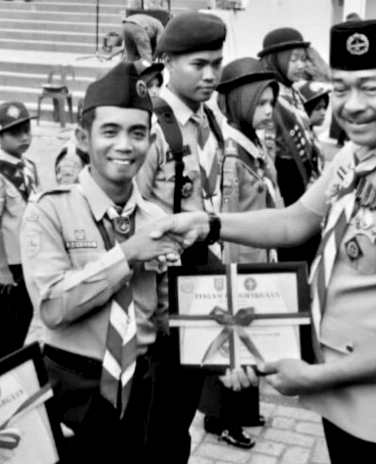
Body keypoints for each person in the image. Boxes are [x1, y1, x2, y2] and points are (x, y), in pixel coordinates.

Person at [155, 19, 376, 463]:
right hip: (344, 400)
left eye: (370, 89)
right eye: (341, 88)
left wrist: (310, 378)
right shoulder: (365, 149)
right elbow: (296, 221)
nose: (352, 106)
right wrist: (209, 224)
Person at [20, 61, 178, 462]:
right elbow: (53, 308)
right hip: (74, 383)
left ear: (150, 140)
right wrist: (128, 253)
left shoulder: (156, 219)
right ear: (82, 138)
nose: (125, 145)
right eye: (110, 131)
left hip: (139, 380)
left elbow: (163, 314)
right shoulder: (50, 211)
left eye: (137, 133)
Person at [136, 11, 233, 458]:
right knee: (163, 411)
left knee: (185, 403)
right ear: (168, 62)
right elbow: (131, 216)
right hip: (165, 285)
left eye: (216, 63)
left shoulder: (209, 119)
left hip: (202, 273)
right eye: (198, 64)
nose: (210, 75)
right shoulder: (153, 126)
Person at [197, 57, 283, 450]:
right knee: (232, 340)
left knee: (252, 340)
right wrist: (227, 279)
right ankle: (223, 419)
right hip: (239, 266)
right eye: (260, 103)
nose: (268, 111)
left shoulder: (252, 144)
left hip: (258, 260)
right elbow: (226, 223)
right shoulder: (231, 154)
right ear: (240, 103)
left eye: (271, 103)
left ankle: (244, 408)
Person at [257, 27, 321, 264]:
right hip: (285, 178)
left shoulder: (293, 92)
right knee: (294, 244)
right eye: (294, 59)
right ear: (277, 60)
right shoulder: (270, 95)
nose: (301, 65)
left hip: (302, 175)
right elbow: (267, 150)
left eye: (303, 59)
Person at [0, 101, 38, 360]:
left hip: (27, 261)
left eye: (27, 130)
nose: (24, 138)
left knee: (22, 323)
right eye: (15, 133)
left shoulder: (29, 167)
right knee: (4, 336)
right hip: (6, 267)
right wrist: (2, 268)